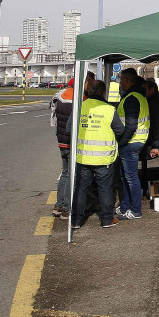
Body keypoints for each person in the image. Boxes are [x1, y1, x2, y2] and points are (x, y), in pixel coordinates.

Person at [71, 80, 124, 229]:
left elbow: (70, 129)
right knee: (105, 189)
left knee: (81, 189)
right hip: (103, 157)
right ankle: (107, 219)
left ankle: (76, 220)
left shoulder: (80, 107)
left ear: (89, 91)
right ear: (102, 92)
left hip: (83, 157)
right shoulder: (109, 109)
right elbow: (120, 130)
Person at [50, 71, 95, 219]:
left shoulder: (63, 95)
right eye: (90, 83)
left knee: (65, 173)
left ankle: (60, 204)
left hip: (61, 140)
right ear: (85, 82)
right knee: (72, 174)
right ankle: (68, 208)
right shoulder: (80, 99)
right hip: (72, 142)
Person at [114, 68, 150, 220]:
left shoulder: (132, 98)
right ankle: (125, 207)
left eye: (121, 80)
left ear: (127, 80)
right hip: (134, 141)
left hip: (131, 142)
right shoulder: (136, 96)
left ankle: (135, 210)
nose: (120, 83)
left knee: (130, 177)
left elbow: (131, 124)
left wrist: (122, 142)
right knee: (126, 177)